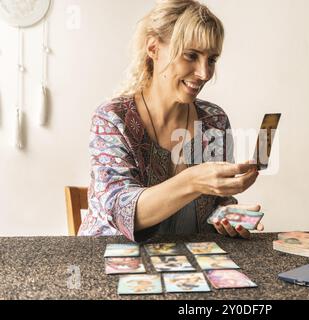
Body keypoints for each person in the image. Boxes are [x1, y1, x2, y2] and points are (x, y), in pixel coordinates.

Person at [78, 0, 264, 242]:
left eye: (211, 60)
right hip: (111, 259)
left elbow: (215, 203)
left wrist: (226, 214)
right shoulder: (113, 119)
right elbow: (120, 211)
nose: (204, 73)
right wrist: (193, 180)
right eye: (191, 55)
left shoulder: (215, 121)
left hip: (187, 264)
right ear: (153, 48)